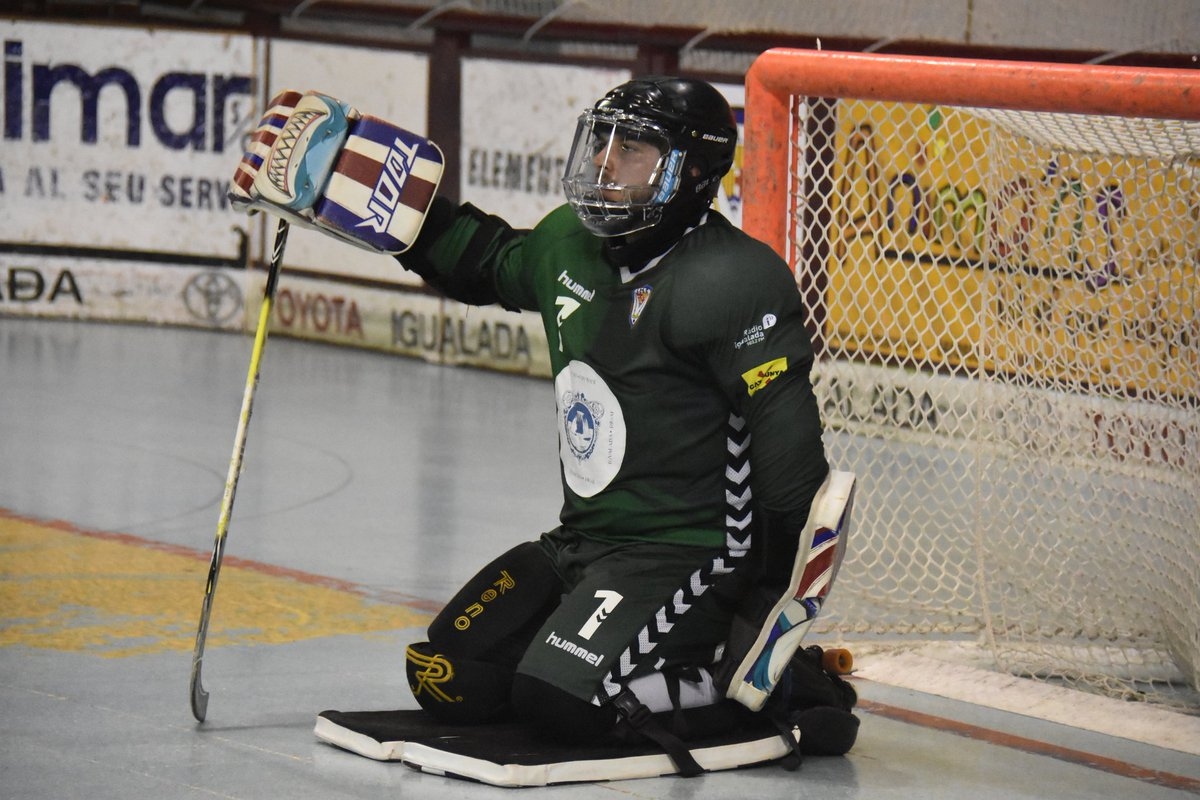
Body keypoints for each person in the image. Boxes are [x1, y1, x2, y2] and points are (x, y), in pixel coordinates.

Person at [394, 75, 855, 770]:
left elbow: (794, 479)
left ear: (693, 173)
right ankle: (609, 651)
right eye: (602, 142)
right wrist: (391, 217)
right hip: (582, 541)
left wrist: (761, 610)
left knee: (558, 703)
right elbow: (486, 263)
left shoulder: (735, 281)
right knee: (448, 675)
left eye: (633, 149)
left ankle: (780, 679)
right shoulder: (567, 244)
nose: (606, 163)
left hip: (688, 553)